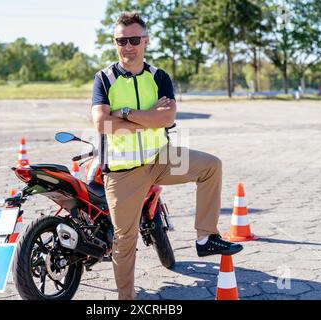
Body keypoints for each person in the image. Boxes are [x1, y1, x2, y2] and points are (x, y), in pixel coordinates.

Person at [91, 12, 243, 300]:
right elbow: (101, 124)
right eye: (121, 41)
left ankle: (205, 237)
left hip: (161, 158)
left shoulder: (159, 77)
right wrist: (150, 117)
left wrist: (123, 114)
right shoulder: (104, 79)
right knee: (124, 239)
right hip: (123, 171)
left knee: (211, 166)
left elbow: (169, 116)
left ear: (145, 41)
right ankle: (126, 299)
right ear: (115, 43)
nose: (128, 46)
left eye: (134, 39)